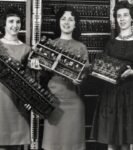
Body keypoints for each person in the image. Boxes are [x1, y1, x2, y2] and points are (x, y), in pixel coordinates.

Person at [31, 6, 89, 150]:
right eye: (63, 19)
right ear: (58, 22)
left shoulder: (81, 47)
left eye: (71, 19)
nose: (67, 22)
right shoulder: (50, 45)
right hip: (53, 103)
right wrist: (36, 66)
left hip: (74, 105)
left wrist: (80, 80)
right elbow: (41, 77)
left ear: (75, 24)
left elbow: (86, 77)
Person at [95, 1, 133, 150]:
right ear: (116, 19)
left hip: (131, 95)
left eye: (125, 15)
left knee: (126, 142)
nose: (122, 19)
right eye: (119, 16)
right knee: (111, 140)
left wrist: (132, 72)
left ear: (132, 18)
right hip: (111, 95)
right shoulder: (110, 44)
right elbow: (103, 69)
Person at [0, 7, 30, 150]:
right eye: (11, 21)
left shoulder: (26, 49)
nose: (15, 25)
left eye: (18, 22)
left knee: (16, 144)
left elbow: (30, 80)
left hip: (17, 102)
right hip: (0, 101)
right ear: (4, 24)